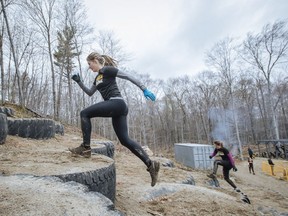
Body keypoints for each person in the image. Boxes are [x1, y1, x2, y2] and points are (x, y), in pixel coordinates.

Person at [69, 52, 160, 187]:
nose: (89, 67)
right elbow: (89, 93)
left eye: (89, 64)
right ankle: (150, 164)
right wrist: (79, 82)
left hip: (117, 103)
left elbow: (128, 76)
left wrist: (144, 89)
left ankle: (85, 148)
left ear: (95, 60)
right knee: (124, 140)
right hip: (117, 108)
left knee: (84, 113)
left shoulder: (107, 70)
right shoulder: (98, 78)